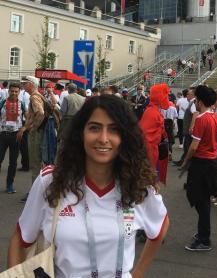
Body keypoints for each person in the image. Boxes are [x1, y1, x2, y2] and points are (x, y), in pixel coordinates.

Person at [8, 95, 169, 277]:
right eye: (94, 128)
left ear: (125, 137)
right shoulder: (51, 182)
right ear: (81, 133)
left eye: (114, 130)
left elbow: (161, 226)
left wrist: (137, 274)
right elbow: (20, 239)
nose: (103, 138)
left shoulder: (138, 185)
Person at [181, 85, 217, 251]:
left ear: (200, 101)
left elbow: (193, 146)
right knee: (203, 200)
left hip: (200, 163)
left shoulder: (201, 119)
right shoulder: (214, 117)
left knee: (200, 200)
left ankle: (204, 238)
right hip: (211, 163)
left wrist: (185, 161)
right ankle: (203, 234)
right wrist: (213, 150)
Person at [17, 76, 46, 184]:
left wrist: (33, 127)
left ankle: (35, 191)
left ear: (31, 84)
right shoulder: (39, 95)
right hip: (40, 132)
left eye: (25, 84)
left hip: (36, 133)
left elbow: (40, 113)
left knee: (35, 163)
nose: (23, 86)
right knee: (39, 162)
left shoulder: (34, 97)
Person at [139, 84, 170, 184]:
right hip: (149, 154)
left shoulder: (153, 111)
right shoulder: (152, 112)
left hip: (152, 152)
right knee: (149, 182)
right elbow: (145, 136)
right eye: (166, 96)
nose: (167, 98)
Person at [0, 83, 26, 193]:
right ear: (8, 91)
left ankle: (9, 185)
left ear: (19, 92)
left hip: (16, 136)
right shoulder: (2, 103)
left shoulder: (22, 104)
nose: (14, 93)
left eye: (16, 91)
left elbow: (28, 118)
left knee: (13, 162)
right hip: (3, 135)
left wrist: (23, 129)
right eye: (12, 91)